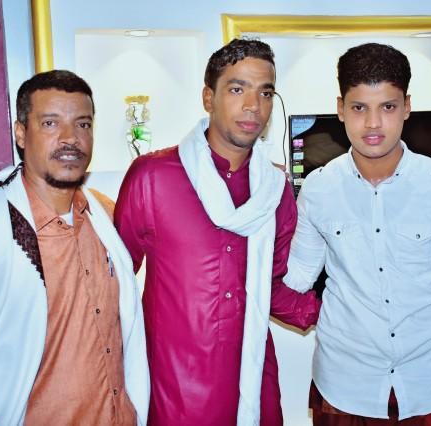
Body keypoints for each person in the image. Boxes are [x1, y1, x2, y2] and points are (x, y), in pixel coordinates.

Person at [284, 43, 431, 426]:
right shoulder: (318, 188)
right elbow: (296, 277)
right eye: (359, 108)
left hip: (424, 387)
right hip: (342, 386)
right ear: (341, 108)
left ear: (407, 107)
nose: (373, 124)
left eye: (388, 107)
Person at [0, 70, 149, 425]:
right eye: (50, 123)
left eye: (83, 124)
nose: (70, 138)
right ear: (20, 133)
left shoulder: (105, 218)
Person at [115, 39, 320, 426]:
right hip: (173, 390)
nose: (253, 106)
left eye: (265, 93)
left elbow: (272, 286)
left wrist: (339, 313)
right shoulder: (152, 178)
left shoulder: (274, 190)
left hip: (252, 382)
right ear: (208, 97)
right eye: (237, 89)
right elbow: (112, 284)